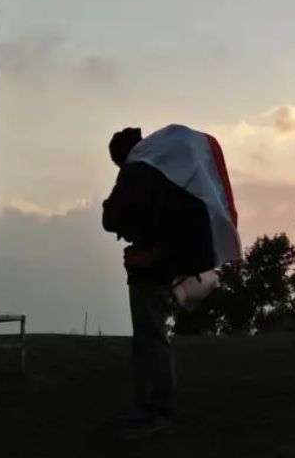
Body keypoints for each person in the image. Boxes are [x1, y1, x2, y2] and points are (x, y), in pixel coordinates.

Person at [102, 126, 217, 438]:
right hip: (164, 268)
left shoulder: (135, 177)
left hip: (146, 269)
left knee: (150, 339)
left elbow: (111, 218)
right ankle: (150, 407)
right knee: (151, 338)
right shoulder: (167, 175)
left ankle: (156, 410)